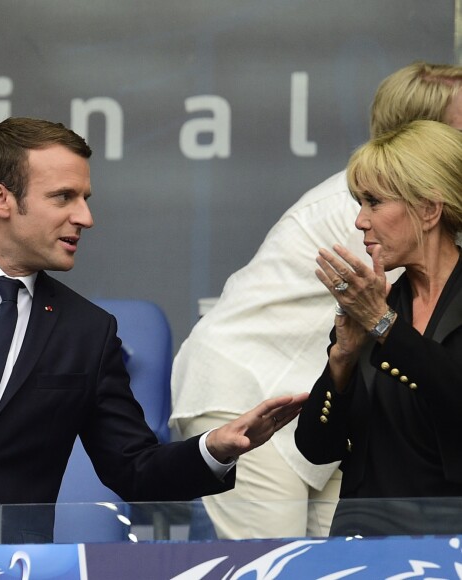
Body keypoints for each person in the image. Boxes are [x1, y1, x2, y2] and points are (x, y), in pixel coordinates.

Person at [0, 117, 308, 545]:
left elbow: (134, 468)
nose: (85, 217)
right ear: (0, 198)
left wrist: (215, 448)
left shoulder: (87, 331)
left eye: (84, 198)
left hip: (16, 568)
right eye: (64, 197)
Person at [170, 61, 462, 540]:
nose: (363, 221)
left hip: (333, 421)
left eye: (373, 205)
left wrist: (369, 334)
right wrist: (347, 352)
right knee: (276, 560)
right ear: (425, 131)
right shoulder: (369, 211)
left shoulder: (398, 246)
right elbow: (387, 327)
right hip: (249, 390)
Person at [295, 119, 462, 536]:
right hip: (364, 545)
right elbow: (317, 448)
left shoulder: (378, 313)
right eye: (358, 203)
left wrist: (384, 325)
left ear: (428, 209)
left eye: (373, 202)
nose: (359, 222)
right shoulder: (377, 303)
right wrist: (342, 360)